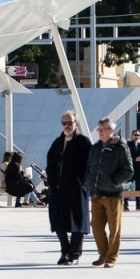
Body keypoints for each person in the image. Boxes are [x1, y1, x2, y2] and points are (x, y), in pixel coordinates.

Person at [84, 117, 133, 268]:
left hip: (113, 194)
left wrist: (114, 181)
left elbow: (129, 171)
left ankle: (111, 257)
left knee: (114, 229)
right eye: (99, 129)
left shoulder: (120, 148)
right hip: (97, 193)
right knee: (96, 227)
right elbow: (88, 168)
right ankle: (103, 254)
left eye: (103, 129)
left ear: (111, 130)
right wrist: (89, 184)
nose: (100, 132)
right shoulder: (95, 147)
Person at [47, 111, 92, 264]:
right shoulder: (57, 143)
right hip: (58, 190)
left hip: (76, 190)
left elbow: (88, 165)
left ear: (76, 124)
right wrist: (52, 182)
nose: (66, 126)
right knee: (58, 222)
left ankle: (74, 254)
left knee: (77, 224)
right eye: (64, 123)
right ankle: (65, 250)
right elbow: (51, 165)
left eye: (69, 123)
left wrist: (80, 182)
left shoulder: (83, 142)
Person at [124, 130, 140, 211]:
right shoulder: (129, 145)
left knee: (138, 186)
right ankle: (125, 203)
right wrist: (134, 159)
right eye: (135, 135)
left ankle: (138, 203)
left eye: (138, 135)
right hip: (130, 169)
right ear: (132, 135)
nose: (137, 136)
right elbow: (126, 157)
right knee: (128, 186)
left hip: (138, 169)